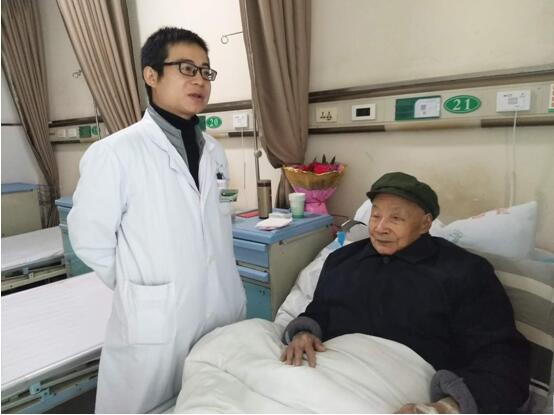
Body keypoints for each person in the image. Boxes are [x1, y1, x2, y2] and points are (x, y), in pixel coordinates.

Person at [68, 27, 246, 413]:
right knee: (147, 404)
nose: (200, 80)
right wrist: (140, 288)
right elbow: (89, 238)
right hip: (154, 321)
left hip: (219, 308)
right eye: (187, 68)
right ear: (151, 75)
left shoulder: (214, 152)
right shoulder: (115, 152)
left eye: (205, 71)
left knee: (211, 401)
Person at [281, 172, 529, 413]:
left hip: (395, 391)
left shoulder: (464, 271)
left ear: (425, 224)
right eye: (375, 215)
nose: (380, 228)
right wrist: (304, 333)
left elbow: (502, 357)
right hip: (319, 373)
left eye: (395, 218)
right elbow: (319, 311)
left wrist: (447, 407)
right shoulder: (342, 260)